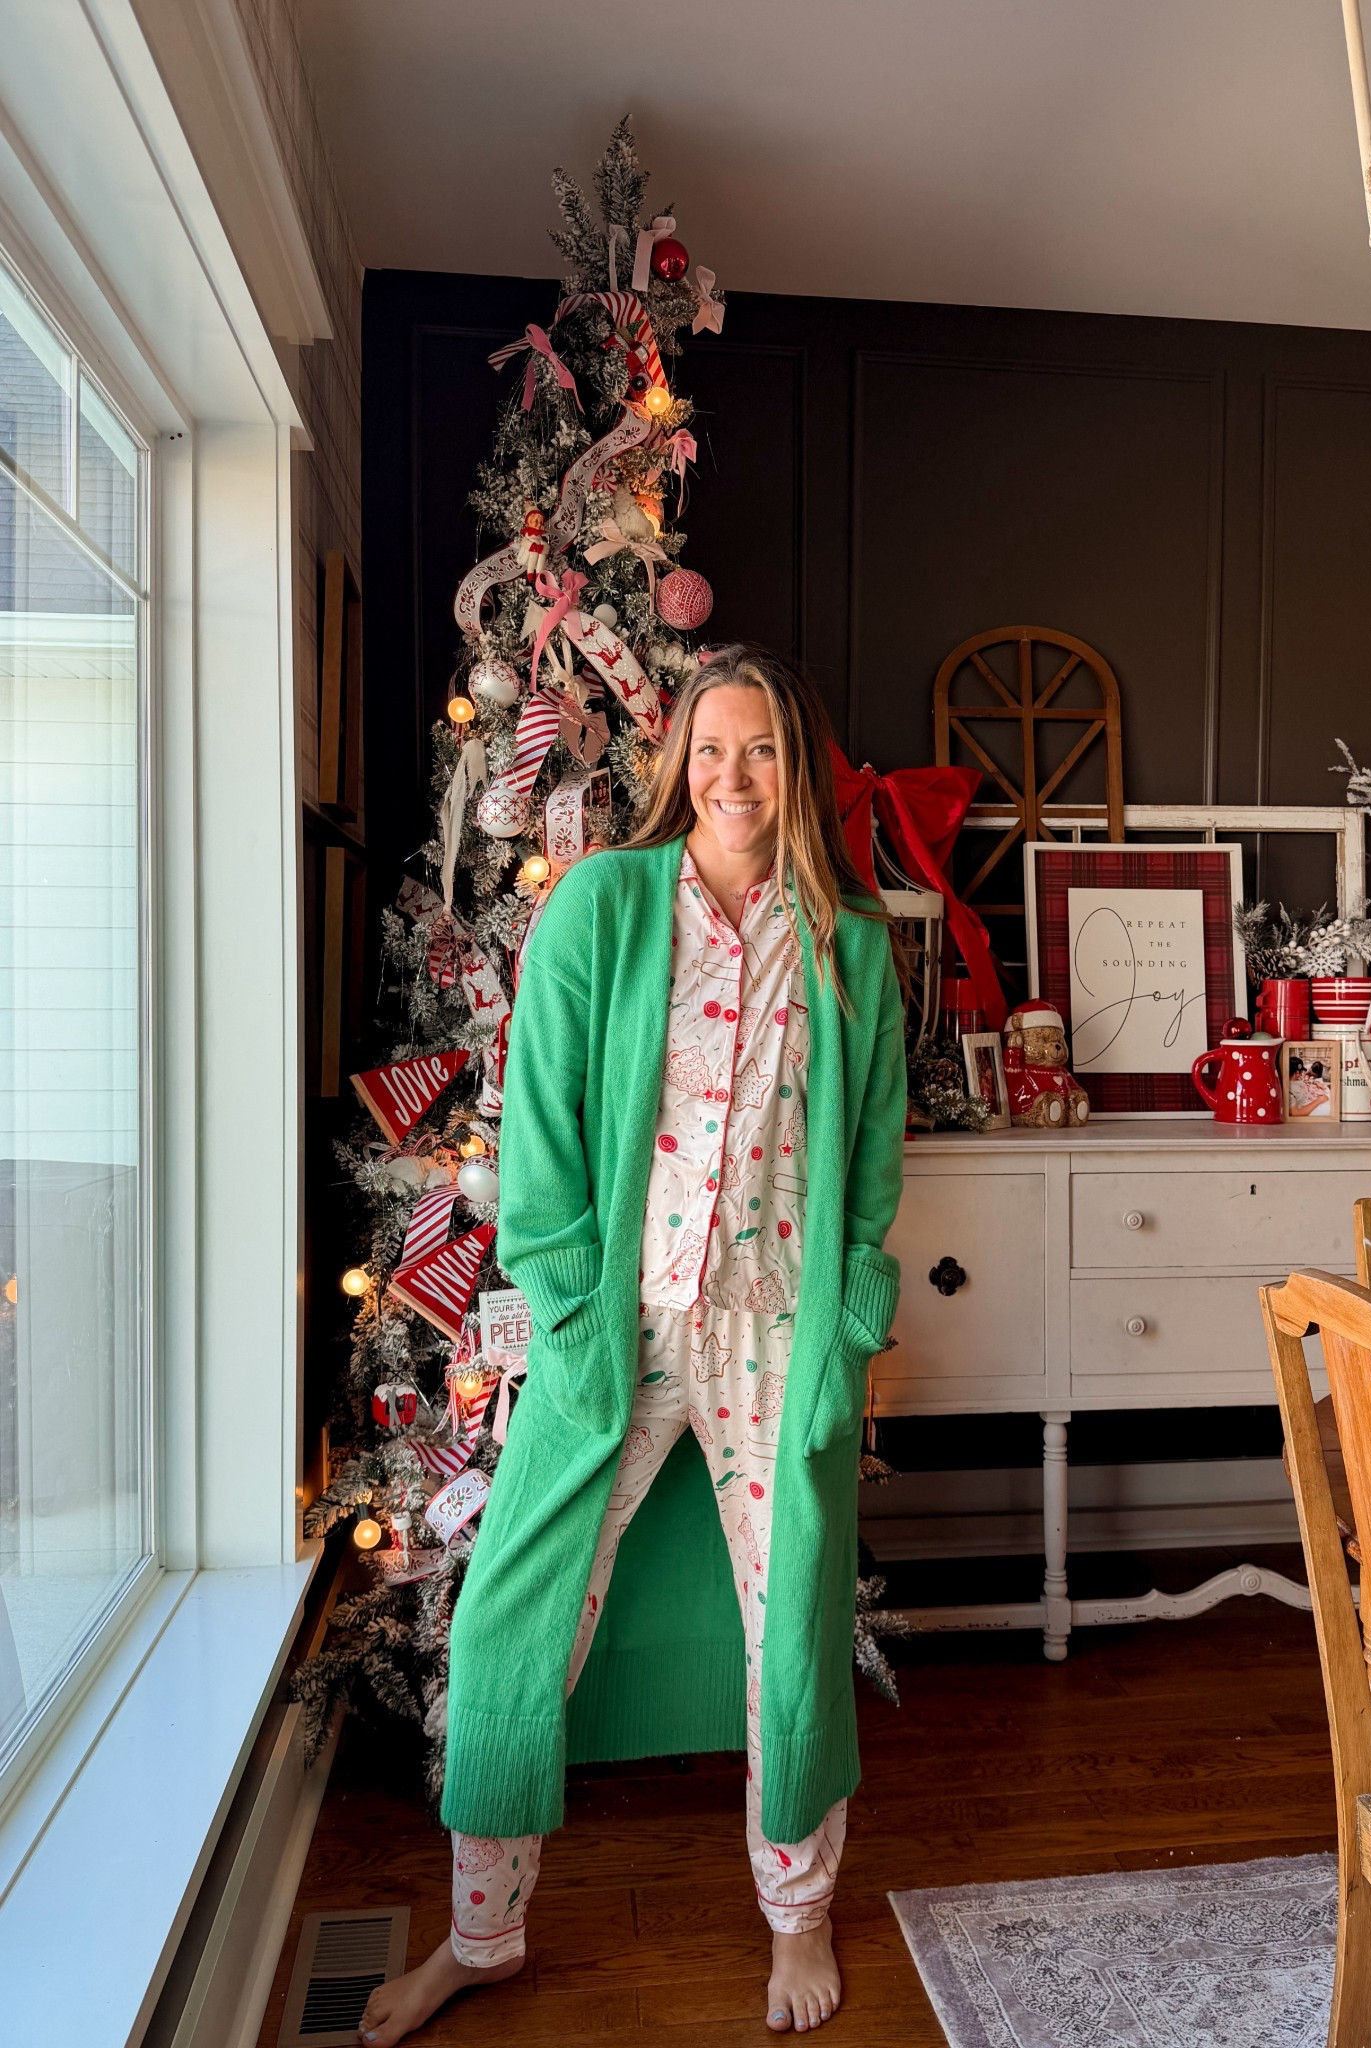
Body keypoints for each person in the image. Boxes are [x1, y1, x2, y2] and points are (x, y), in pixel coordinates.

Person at [359, 646, 908, 2044]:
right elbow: (541, 1128)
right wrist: (563, 1300)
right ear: (679, 766)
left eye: (763, 750)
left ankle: (798, 1912)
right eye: (712, 750)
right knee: (511, 1617)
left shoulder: (847, 942)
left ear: (799, 769)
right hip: (623, 1322)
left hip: (779, 1329)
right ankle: (481, 1937)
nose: (736, 777)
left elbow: (872, 1159)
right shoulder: (603, 905)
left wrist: (851, 1310)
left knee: (791, 1627)